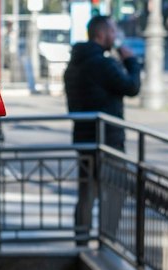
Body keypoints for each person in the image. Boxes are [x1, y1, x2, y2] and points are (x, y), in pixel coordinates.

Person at [64, 14, 142, 238]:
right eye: (112, 30)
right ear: (101, 34)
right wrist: (131, 62)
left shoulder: (75, 64)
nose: (115, 35)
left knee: (86, 193)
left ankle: (82, 239)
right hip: (109, 141)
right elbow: (131, 87)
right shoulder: (103, 64)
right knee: (115, 191)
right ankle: (107, 239)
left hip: (84, 139)